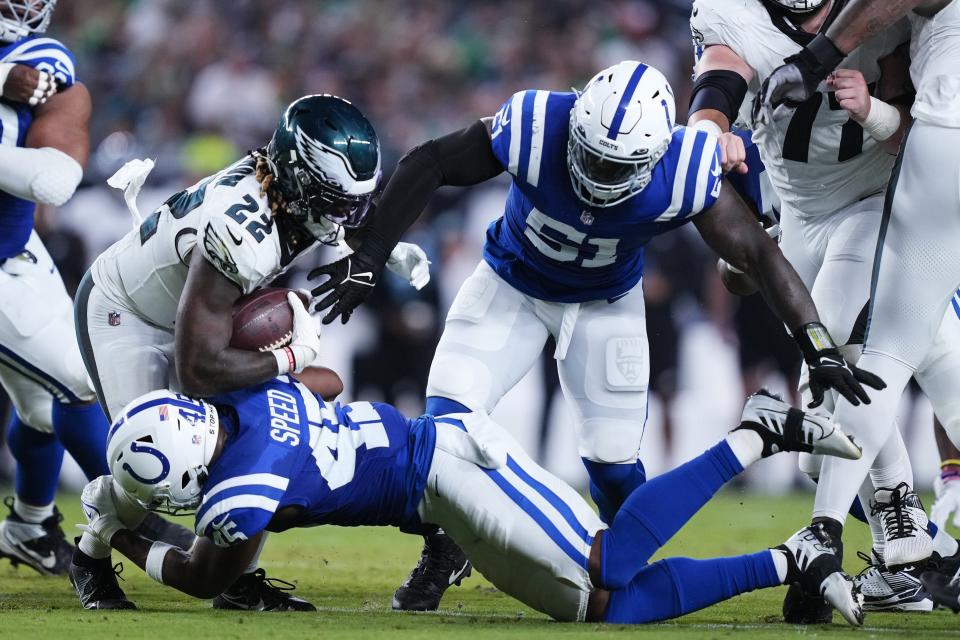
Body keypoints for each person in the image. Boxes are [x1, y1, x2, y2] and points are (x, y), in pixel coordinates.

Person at [307, 59, 883, 610]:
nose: (599, 174)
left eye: (617, 166)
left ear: (654, 155)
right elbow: (432, 160)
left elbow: (756, 252)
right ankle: (444, 546)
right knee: (446, 430)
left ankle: (629, 567)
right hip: (511, 287)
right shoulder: (536, 124)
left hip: (604, 307)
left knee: (611, 466)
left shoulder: (683, 169)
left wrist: (816, 342)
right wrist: (372, 252)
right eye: (593, 157)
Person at [77, 379, 866, 625]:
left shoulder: (239, 488)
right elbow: (322, 385)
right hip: (437, 486)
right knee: (604, 611)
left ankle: (761, 432)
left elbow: (202, 578)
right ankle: (793, 557)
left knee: (610, 559)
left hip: (451, 465)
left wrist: (123, 529)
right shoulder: (243, 400)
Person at [68, 94, 429, 611]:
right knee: (165, 457)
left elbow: (330, 212)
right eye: (336, 199)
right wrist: (291, 357)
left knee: (254, 442)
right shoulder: (244, 234)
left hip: (193, 309)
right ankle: (91, 551)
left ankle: (235, 578)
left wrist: (381, 250)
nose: (348, 212)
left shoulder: (287, 183)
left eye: (355, 199)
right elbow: (196, 371)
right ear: (300, 180)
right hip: (130, 315)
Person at [689, 0, 960, 616]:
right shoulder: (734, 13)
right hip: (796, 216)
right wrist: (708, 141)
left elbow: (916, 137)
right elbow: (718, 84)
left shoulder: (885, 15)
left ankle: (843, 542)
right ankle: (907, 554)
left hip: (873, 202)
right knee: (855, 420)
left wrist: (877, 110)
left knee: (842, 357)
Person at [0, 0, 118, 577]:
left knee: (48, 398)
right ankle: (134, 520)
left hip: (13, 249)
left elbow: (53, 178)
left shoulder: (36, 57)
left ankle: (29, 525)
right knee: (71, 380)